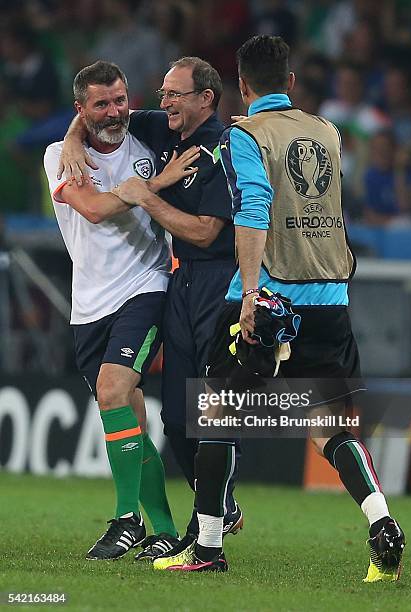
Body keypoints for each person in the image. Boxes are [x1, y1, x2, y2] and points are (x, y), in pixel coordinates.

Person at [154, 35, 406, 582]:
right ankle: (381, 520)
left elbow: (255, 209)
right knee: (332, 426)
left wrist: (247, 295)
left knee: (218, 416)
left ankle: (209, 546)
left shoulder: (245, 134)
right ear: (291, 83)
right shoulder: (329, 132)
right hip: (332, 297)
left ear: (241, 87)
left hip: (269, 298)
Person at [58, 56, 243, 561]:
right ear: (82, 109)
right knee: (130, 414)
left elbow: (207, 224)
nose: (117, 111)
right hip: (90, 303)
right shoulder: (62, 154)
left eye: (122, 99)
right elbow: (93, 209)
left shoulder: (151, 140)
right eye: (103, 104)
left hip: (149, 286)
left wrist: (149, 186)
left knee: (116, 389)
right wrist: (152, 185)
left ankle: (125, 519)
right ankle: (160, 527)